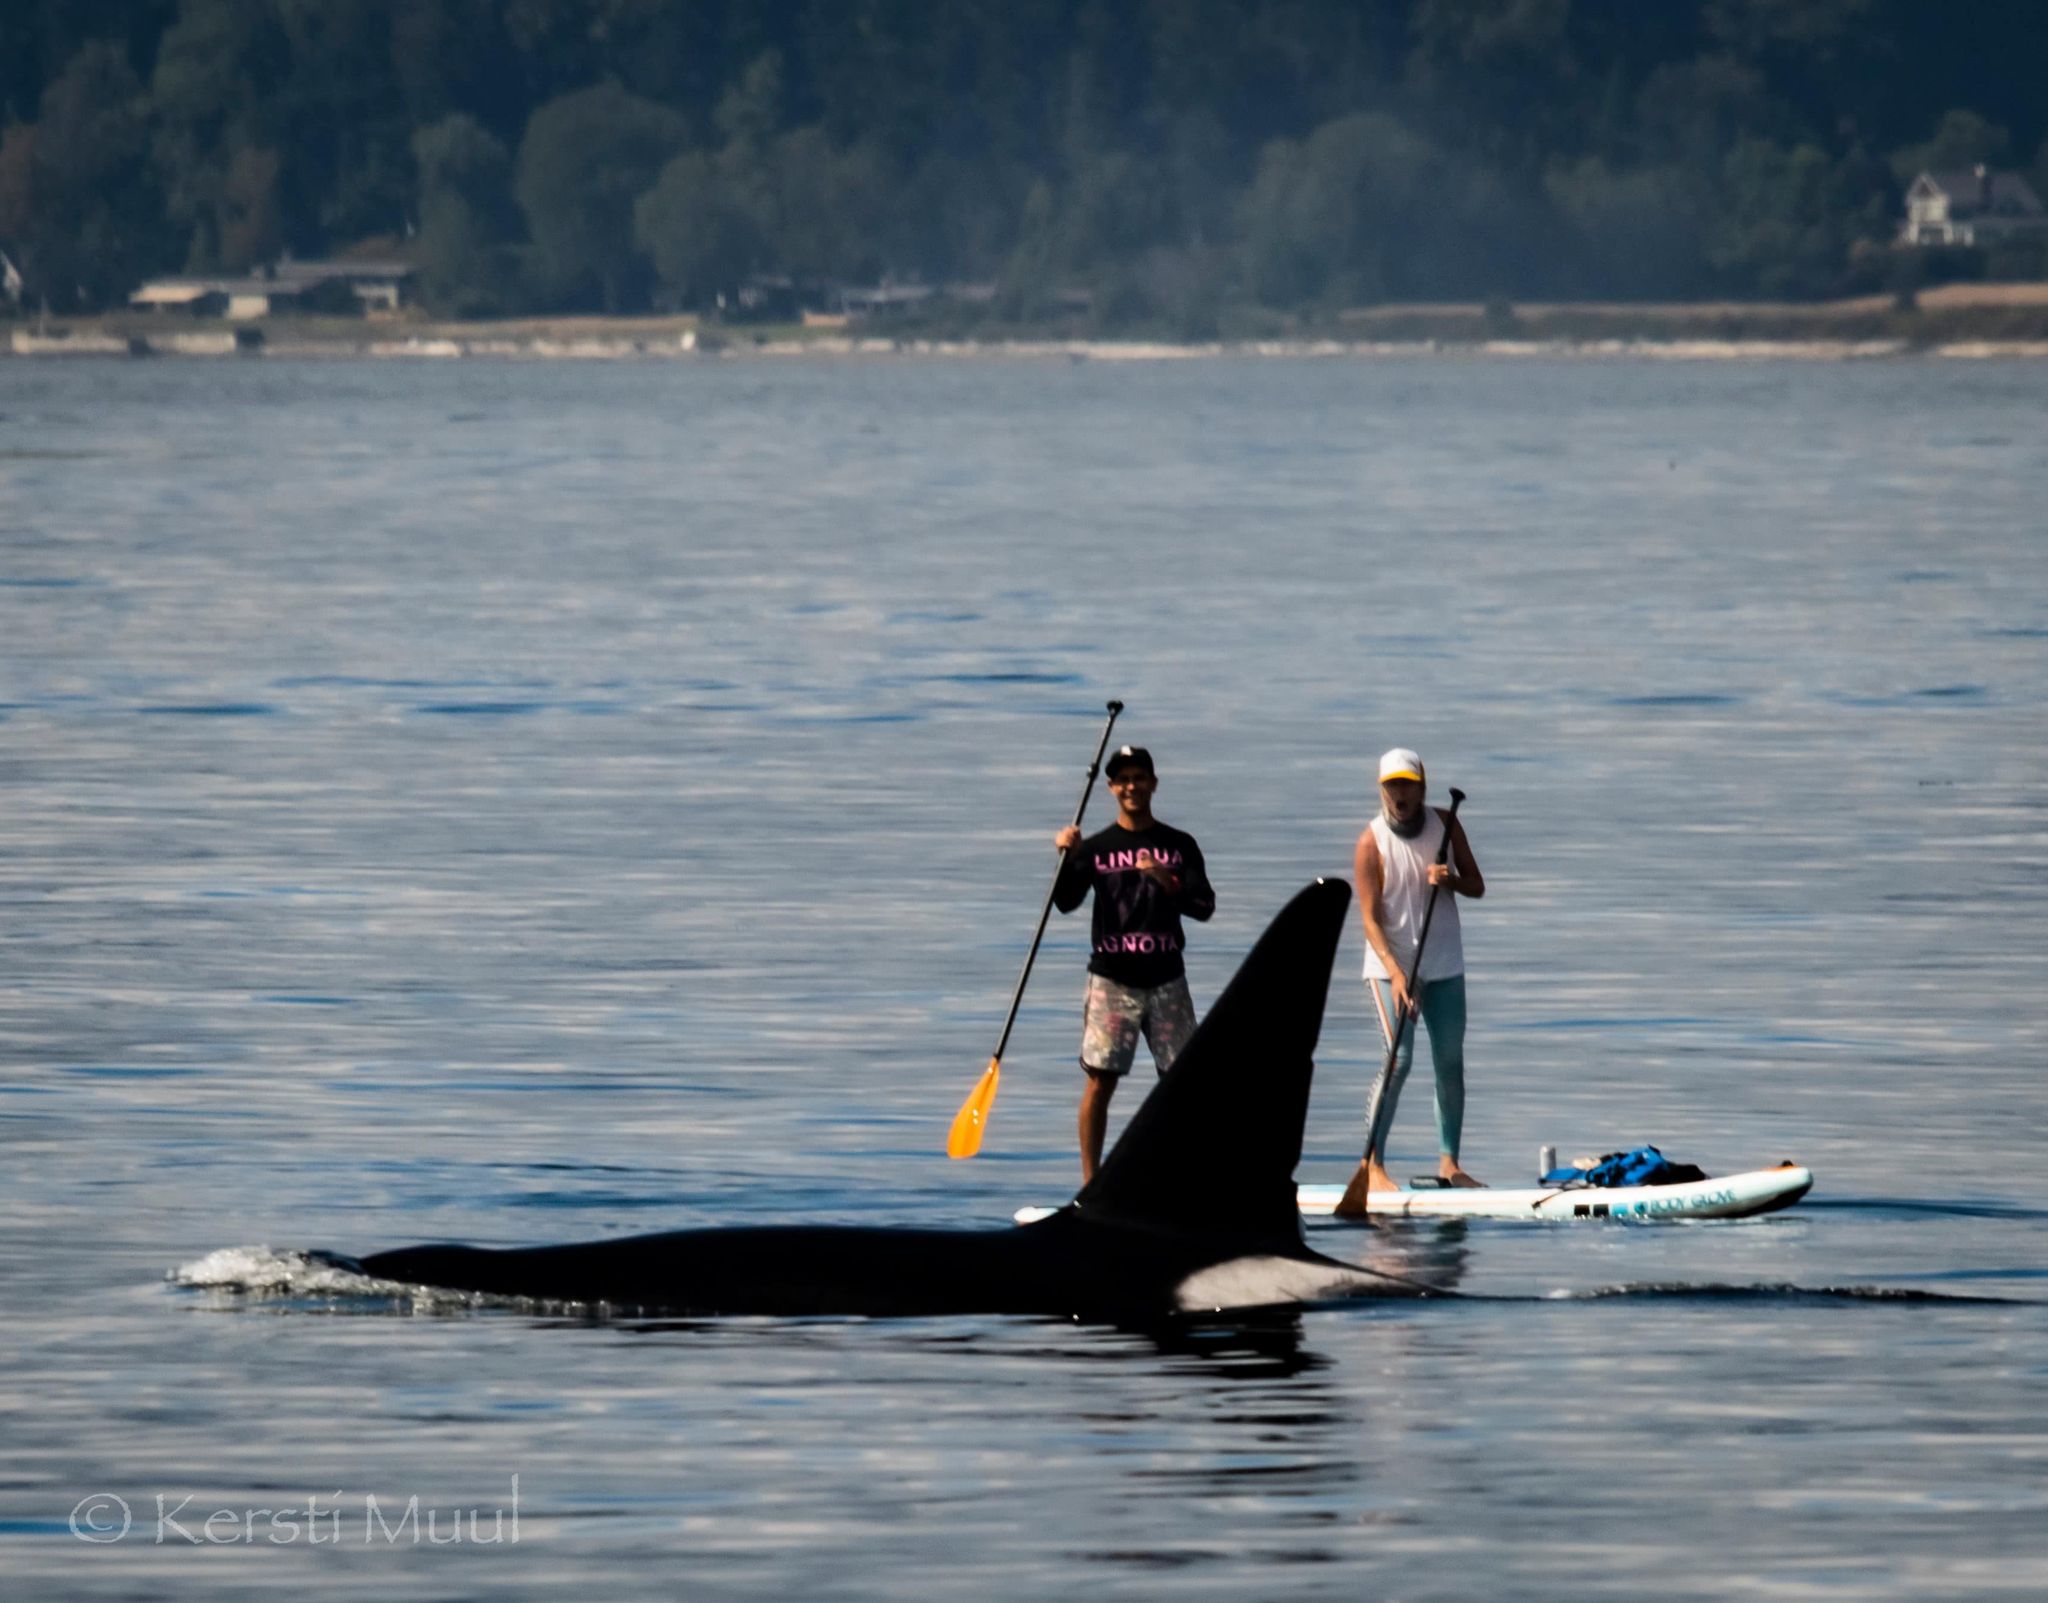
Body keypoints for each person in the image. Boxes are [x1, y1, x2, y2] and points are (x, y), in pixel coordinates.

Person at [1052, 745, 1215, 1183]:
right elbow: (1065, 903)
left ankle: (1186, 1181)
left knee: (1183, 1088)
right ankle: (1091, 1183)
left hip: (1167, 981)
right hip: (1112, 982)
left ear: (1154, 784)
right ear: (1110, 788)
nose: (1131, 787)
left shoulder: (1179, 845)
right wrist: (1067, 857)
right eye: (1122, 780)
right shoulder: (1098, 848)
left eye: (1139, 778)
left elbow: (1204, 906)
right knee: (1100, 1082)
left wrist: (1169, 882)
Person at [1353, 747, 1486, 1193]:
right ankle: (1371, 1164)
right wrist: (1394, 971)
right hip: (1391, 967)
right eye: (1392, 786)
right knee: (1399, 1060)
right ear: (1382, 789)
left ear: (1422, 787)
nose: (1400, 793)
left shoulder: (1446, 824)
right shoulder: (1371, 842)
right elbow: (1370, 919)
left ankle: (1449, 1163)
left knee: (1450, 1062)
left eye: (1408, 785)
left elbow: (1478, 886)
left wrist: (1450, 880)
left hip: (1444, 963)